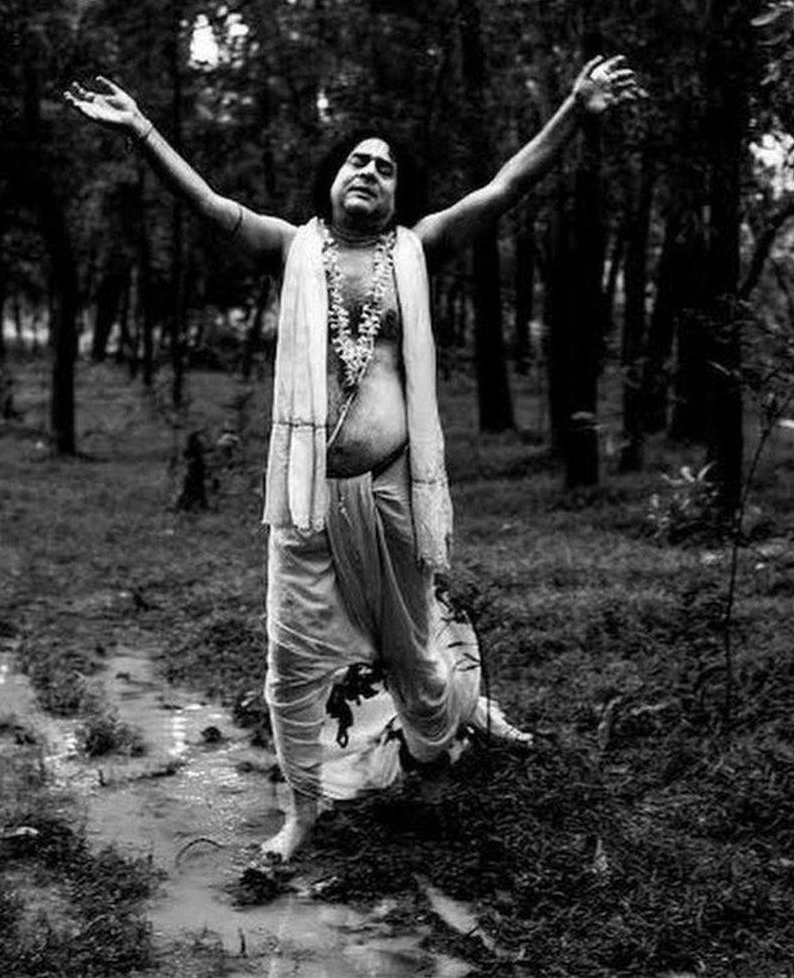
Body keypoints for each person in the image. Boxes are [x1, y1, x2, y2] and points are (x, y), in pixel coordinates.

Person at [65, 53, 638, 861]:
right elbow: (206, 204)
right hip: (306, 499)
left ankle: (449, 735)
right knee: (290, 668)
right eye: (356, 160)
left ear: (398, 194)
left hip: (397, 490)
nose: (370, 170)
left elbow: (504, 189)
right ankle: (304, 812)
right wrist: (141, 130)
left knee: (413, 657)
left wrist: (574, 111)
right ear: (330, 181)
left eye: (386, 167)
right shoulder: (291, 249)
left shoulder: (417, 248)